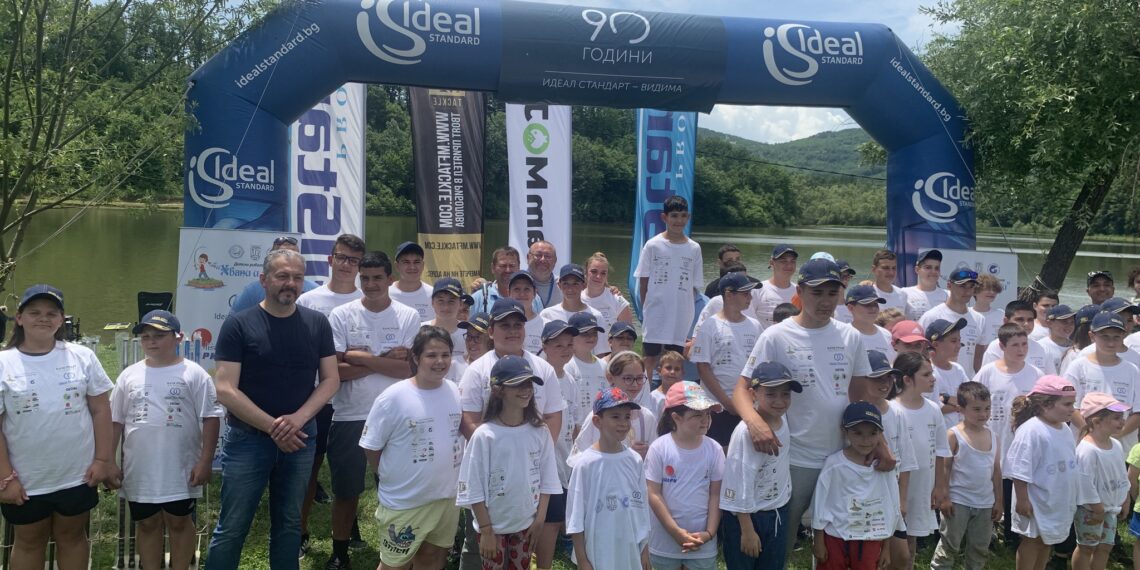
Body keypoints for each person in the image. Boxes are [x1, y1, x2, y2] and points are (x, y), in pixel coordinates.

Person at [731, 258, 875, 556]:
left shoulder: (851, 336)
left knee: (836, 533)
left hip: (841, 453)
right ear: (800, 292)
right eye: (817, 293)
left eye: (832, 293)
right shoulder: (776, 335)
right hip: (794, 456)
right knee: (784, 535)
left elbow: (861, 398)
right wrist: (755, 424)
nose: (825, 301)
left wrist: (879, 443)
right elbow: (742, 389)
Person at [207, 248, 340, 570]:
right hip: (249, 440)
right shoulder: (239, 324)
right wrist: (273, 427)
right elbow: (225, 388)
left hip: (300, 438)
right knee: (232, 526)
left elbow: (331, 379)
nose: (290, 283)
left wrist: (298, 420)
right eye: (282, 276)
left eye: (297, 277)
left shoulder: (317, 323)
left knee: (290, 524)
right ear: (263, 280)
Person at [0, 285, 117, 569]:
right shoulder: (4, 362)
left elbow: (101, 409)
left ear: (61, 319)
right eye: (35, 312)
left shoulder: (82, 357)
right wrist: (5, 478)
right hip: (26, 479)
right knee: (29, 541)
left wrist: (103, 460)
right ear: (19, 318)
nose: (44, 318)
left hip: (77, 474)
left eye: (52, 313)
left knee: (73, 537)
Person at [325, 250, 421, 570]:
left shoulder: (408, 316)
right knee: (346, 490)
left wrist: (360, 357)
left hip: (397, 415)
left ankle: (395, 551)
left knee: (395, 490)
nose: (370, 284)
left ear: (390, 279)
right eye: (364, 278)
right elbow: (336, 372)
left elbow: (408, 369)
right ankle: (340, 553)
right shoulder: (341, 315)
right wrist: (383, 360)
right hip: (350, 413)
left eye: (377, 278)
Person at [111, 311, 222, 570]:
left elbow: (211, 417)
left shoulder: (195, 374)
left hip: (179, 467)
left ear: (178, 338)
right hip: (140, 468)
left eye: (159, 336)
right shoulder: (129, 375)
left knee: (179, 522)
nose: (151, 341)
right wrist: (108, 460)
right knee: (147, 523)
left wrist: (205, 461)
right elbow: (115, 421)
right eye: (146, 336)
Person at [358, 326, 464, 570]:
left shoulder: (454, 391)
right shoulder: (393, 397)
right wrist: (387, 473)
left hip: (446, 497)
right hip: (406, 500)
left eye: (445, 355)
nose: (440, 361)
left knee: (433, 558)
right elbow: (372, 447)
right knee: (395, 565)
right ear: (415, 358)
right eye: (431, 355)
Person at [295, 233, 365, 556]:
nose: (347, 265)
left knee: (351, 469)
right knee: (310, 466)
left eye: (354, 260)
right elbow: (303, 354)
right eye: (342, 258)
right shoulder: (310, 301)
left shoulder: (368, 299)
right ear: (330, 260)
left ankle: (350, 528)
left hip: (356, 398)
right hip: (317, 396)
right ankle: (300, 531)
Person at [455, 356, 561, 570]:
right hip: (491, 527)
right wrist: (486, 530)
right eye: (518, 384)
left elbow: (548, 479)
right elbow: (473, 486)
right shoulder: (484, 435)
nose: (526, 390)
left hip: (526, 525)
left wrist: (539, 520)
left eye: (529, 384)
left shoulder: (540, 432)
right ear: (498, 390)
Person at [720, 362, 800, 570]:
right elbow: (738, 481)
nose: (780, 401)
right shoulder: (745, 434)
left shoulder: (783, 419)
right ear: (753, 394)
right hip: (746, 517)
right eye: (771, 394)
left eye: (785, 394)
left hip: (776, 511)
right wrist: (747, 530)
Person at [565, 388, 652, 569]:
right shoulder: (585, 464)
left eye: (627, 417)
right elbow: (575, 517)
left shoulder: (635, 460)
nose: (623, 423)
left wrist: (644, 549)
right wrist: (582, 560)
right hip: (598, 551)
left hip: (629, 550)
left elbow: (641, 507)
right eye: (615, 417)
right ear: (597, 421)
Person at [458, 298, 564, 442]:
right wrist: (502, 450)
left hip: (533, 453)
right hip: (490, 453)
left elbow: (553, 416)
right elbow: (469, 421)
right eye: (505, 325)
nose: (512, 331)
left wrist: (538, 450)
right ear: (491, 331)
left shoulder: (544, 369)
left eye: (518, 325)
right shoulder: (476, 370)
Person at [645, 382, 725, 570]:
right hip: (664, 543)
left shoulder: (714, 449)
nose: (705, 420)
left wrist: (709, 533)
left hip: (702, 543)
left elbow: (715, 494)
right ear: (676, 417)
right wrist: (675, 532)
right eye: (697, 415)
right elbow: (654, 494)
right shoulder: (659, 448)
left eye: (707, 414)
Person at [811, 402, 899, 570]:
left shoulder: (883, 467)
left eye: (872, 433)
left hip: (870, 537)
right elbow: (819, 503)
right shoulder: (834, 464)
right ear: (845, 431)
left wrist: (886, 547)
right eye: (858, 433)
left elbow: (891, 507)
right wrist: (818, 540)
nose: (865, 440)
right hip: (835, 535)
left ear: (880, 434)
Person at [1005, 375, 1079, 570]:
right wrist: (1022, 499)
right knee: (1032, 541)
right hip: (1035, 500)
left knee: (1047, 541)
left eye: (1073, 404)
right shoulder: (1031, 430)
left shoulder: (1065, 429)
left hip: (1055, 499)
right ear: (1046, 405)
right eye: (1067, 404)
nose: (1072, 409)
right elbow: (1019, 469)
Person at [930, 382, 1002, 570]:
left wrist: (999, 501)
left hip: (985, 503)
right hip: (958, 501)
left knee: (980, 549)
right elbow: (944, 469)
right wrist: (945, 498)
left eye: (987, 408)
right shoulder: (953, 435)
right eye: (977, 409)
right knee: (949, 546)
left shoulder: (993, 436)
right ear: (961, 409)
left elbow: (996, 471)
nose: (983, 414)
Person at [891, 352, 951, 568]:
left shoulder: (933, 409)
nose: (933, 378)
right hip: (896, 485)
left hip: (922, 485)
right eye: (926, 374)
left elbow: (940, 450)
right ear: (907, 379)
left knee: (911, 538)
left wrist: (940, 486)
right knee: (892, 539)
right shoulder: (891, 409)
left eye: (932, 373)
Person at [860, 351, 917, 570]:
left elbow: (907, 461)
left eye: (888, 378)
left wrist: (902, 500)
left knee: (900, 556)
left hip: (891, 493)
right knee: (867, 555)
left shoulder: (897, 412)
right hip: (863, 494)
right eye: (877, 378)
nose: (884, 384)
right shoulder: (853, 410)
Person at [635, 195, 704, 375]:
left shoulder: (694, 248)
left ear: (688, 217)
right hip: (656, 313)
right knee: (650, 359)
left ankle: (673, 392)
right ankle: (645, 391)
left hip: (680, 314)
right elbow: (643, 281)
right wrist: (647, 308)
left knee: (675, 359)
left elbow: (694, 287)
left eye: (683, 216)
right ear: (664, 217)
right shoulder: (653, 245)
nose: (678, 220)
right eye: (674, 216)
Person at [691, 272, 762, 446]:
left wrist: (749, 399)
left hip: (748, 404)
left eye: (750, 293)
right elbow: (703, 368)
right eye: (745, 294)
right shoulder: (710, 326)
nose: (750, 298)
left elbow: (759, 365)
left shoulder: (755, 326)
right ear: (729, 294)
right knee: (719, 450)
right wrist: (727, 403)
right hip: (717, 406)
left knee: (746, 449)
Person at [535, 320, 578, 570]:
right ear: (544, 346)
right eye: (558, 345)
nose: (565, 350)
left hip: (562, 462)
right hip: (539, 461)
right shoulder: (536, 376)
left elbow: (574, 424)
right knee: (538, 521)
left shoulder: (570, 380)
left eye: (569, 344)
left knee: (553, 521)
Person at [1064, 312, 1140, 448]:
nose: (1111, 342)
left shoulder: (1132, 370)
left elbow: (1137, 411)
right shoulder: (1078, 367)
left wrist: (1117, 434)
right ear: (1092, 336)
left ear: (1123, 336)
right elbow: (1070, 406)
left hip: (1122, 448)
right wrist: (1094, 433)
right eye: (1105, 336)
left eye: (1116, 337)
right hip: (1085, 445)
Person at [1072, 393, 1130, 570]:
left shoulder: (1116, 445)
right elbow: (1084, 483)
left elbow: (1122, 474)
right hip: (1090, 509)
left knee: (1105, 547)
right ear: (1096, 422)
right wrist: (1097, 508)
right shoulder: (1087, 450)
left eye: (1122, 417)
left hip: (1110, 507)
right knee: (1086, 547)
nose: (1122, 422)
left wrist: (1125, 498)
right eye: (1116, 418)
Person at [572, 351, 658, 458]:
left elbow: (656, 457)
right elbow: (579, 456)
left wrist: (648, 453)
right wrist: (626, 454)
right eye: (628, 378)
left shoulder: (646, 417)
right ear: (610, 378)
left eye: (639, 378)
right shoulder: (599, 416)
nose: (635, 384)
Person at [919, 268, 984, 377]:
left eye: (971, 286)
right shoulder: (932, 316)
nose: (967, 291)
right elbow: (920, 352)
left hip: (967, 383)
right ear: (949, 285)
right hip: (937, 380)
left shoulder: (979, 319)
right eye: (962, 286)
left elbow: (978, 359)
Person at [230, 235, 319, 313]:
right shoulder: (251, 292)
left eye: (294, 256)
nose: (288, 260)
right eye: (282, 255)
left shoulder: (314, 291)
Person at [981, 300, 1058, 375]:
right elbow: (988, 376)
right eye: (1020, 319)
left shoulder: (1042, 348)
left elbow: (1052, 379)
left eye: (1030, 320)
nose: (1026, 324)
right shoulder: (997, 346)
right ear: (1006, 321)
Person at [581, 252, 633, 356]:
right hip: (582, 357)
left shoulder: (616, 299)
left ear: (607, 275)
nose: (598, 276)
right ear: (586, 272)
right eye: (594, 271)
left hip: (609, 357)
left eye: (603, 273)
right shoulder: (576, 298)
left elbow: (628, 335)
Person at [563, 311, 608, 425]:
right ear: (571, 336)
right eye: (585, 333)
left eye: (594, 333)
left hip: (600, 426)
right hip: (577, 427)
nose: (591, 337)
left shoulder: (603, 365)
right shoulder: (568, 365)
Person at [926, 318, 970, 429]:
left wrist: (945, 399)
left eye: (959, 340)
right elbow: (931, 407)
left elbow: (970, 400)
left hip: (959, 432)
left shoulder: (958, 369)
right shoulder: (927, 371)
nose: (959, 345)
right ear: (935, 344)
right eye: (953, 341)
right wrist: (959, 405)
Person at [470, 247, 542, 315]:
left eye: (512, 266)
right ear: (493, 268)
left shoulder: (534, 299)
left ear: (519, 267)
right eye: (503, 266)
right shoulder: (479, 298)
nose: (508, 270)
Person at [538, 264, 604, 334]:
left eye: (575, 284)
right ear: (559, 285)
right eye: (565, 283)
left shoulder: (596, 316)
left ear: (584, 285)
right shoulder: (547, 314)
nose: (570, 289)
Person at [424, 276, 475, 364]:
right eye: (441, 301)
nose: (446, 307)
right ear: (432, 302)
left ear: (460, 303)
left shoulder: (469, 333)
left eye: (451, 301)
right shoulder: (420, 331)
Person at [845, 284, 895, 364]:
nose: (873, 308)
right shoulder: (844, 335)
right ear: (851, 308)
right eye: (867, 304)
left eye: (875, 304)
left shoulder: (886, 334)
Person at [752, 244, 798, 329]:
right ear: (772, 262)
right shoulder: (757, 290)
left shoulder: (800, 291)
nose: (789, 265)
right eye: (783, 261)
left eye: (793, 261)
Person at [387, 241, 435, 321]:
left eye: (416, 262)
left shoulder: (433, 295)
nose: (412, 267)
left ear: (423, 265)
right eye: (406, 262)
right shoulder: (386, 294)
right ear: (397, 266)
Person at [506, 270, 545, 354]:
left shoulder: (545, 325)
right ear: (508, 293)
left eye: (526, 289)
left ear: (534, 293)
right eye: (517, 289)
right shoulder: (500, 325)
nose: (522, 294)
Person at [901, 249, 947, 321]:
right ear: (917, 269)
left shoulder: (948, 295)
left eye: (937, 268)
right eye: (928, 267)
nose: (933, 271)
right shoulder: (904, 293)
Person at [1039, 304, 1076, 373]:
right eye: (1064, 322)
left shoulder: (1076, 346)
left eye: (1072, 322)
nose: (1069, 325)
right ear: (1049, 323)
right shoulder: (1041, 347)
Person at [526, 240, 562, 308]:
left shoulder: (563, 286)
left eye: (548, 256)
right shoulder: (515, 282)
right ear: (528, 257)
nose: (543, 259)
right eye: (538, 255)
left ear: (555, 260)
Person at [651, 350, 685, 419]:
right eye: (668, 368)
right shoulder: (653, 398)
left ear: (682, 373)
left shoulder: (685, 396)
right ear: (659, 371)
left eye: (677, 369)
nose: (672, 372)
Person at [974, 274, 1006, 347]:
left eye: (994, 290)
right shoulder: (966, 314)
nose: (992, 292)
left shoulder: (1001, 315)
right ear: (975, 291)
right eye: (987, 289)